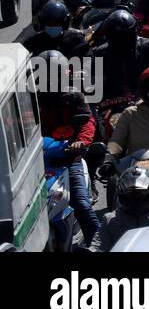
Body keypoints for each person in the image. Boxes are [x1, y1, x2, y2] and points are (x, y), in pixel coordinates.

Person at [35, 50, 101, 244]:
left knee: (82, 205)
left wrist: (79, 142)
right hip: (38, 162)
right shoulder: (33, 99)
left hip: (69, 159)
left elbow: (88, 122)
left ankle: (100, 245)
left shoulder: (74, 97)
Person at [90, 9, 149, 101]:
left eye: (126, 36)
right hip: (110, 104)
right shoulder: (100, 53)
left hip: (145, 101)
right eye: (119, 37)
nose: (123, 41)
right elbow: (91, 83)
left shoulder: (147, 46)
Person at [89, 167, 149, 251]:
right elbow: (97, 246)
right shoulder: (110, 220)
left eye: (140, 196)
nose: (135, 202)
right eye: (131, 197)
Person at [23, 0, 90, 58]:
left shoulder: (76, 40)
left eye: (56, 24)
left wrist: (82, 71)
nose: (52, 27)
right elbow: (20, 55)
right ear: (43, 24)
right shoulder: (35, 41)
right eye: (49, 24)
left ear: (64, 23)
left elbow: (88, 60)